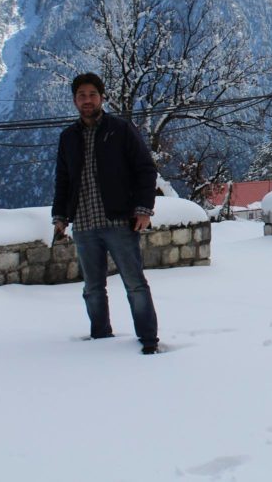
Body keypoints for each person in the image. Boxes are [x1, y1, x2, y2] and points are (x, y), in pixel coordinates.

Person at [52, 73, 160, 354]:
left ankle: (149, 341)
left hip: (119, 221)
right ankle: (100, 341)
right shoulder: (68, 138)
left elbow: (146, 169)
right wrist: (60, 216)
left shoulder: (120, 130)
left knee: (135, 284)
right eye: (81, 96)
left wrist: (143, 210)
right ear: (75, 100)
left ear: (101, 97)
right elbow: (63, 180)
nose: (86, 100)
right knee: (92, 288)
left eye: (91, 95)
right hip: (84, 224)